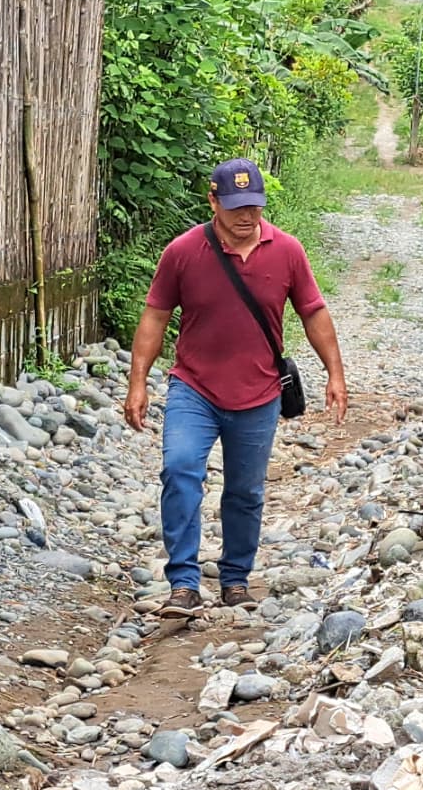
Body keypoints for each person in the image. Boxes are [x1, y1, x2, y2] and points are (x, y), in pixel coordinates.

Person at [123, 158, 350, 611]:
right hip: (194, 388)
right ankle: (183, 583)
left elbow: (312, 311)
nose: (246, 216)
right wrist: (138, 382)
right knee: (180, 471)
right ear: (213, 201)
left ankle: (236, 579)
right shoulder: (183, 251)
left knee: (245, 491)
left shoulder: (287, 251)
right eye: (235, 206)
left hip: (259, 393)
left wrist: (335, 373)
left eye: (254, 206)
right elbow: (155, 316)